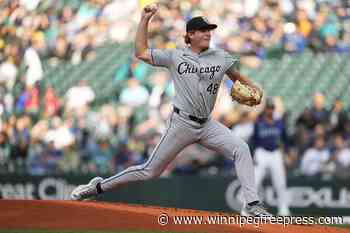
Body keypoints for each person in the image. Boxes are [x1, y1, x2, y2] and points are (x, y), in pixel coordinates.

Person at [70, 4, 270, 217]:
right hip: (182, 123)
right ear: (190, 35)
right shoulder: (175, 56)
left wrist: (253, 88)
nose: (208, 33)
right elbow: (141, 52)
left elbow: (237, 77)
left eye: (209, 30)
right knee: (149, 171)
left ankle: (251, 205)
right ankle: (96, 187)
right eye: (203, 30)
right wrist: (144, 20)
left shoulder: (220, 57)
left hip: (207, 124)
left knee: (241, 148)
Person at [250, 98, 291, 216]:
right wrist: (254, 154)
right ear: (265, 108)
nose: (270, 110)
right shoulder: (259, 122)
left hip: (275, 154)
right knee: (255, 182)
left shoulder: (279, 122)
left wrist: (288, 153)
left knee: (280, 182)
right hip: (261, 152)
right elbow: (253, 140)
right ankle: (248, 208)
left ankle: (284, 209)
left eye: (272, 108)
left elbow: (285, 139)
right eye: (268, 108)